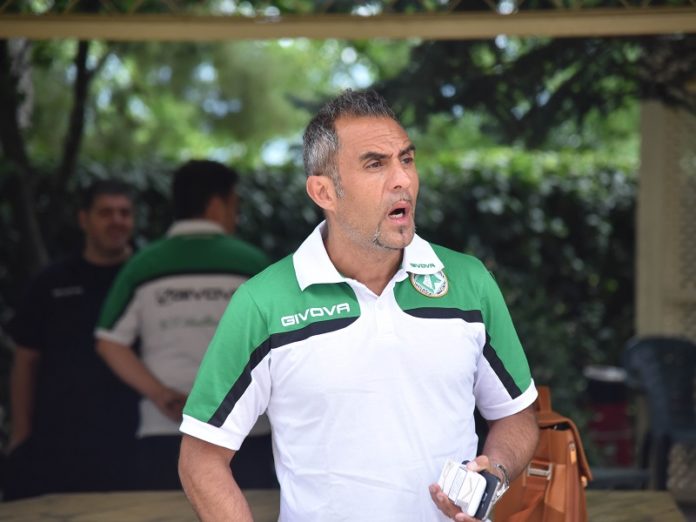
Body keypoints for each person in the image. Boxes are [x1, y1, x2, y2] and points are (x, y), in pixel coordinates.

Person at [178, 89, 540, 521]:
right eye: (375, 164)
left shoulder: (469, 282)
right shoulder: (262, 303)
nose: (402, 179)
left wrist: (493, 472)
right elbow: (201, 457)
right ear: (324, 192)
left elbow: (517, 415)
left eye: (406, 159)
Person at [95, 160, 274, 491]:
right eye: (234, 205)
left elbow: (109, 341)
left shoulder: (142, 266)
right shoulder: (253, 264)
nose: (235, 215)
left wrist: (161, 394)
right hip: (244, 432)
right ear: (217, 204)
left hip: (165, 430)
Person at [4, 179, 139, 500]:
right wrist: (21, 432)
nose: (117, 221)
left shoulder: (146, 280)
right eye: (106, 212)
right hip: (58, 439)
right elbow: (25, 360)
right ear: (83, 219)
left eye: (124, 213)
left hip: (133, 438)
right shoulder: (51, 282)